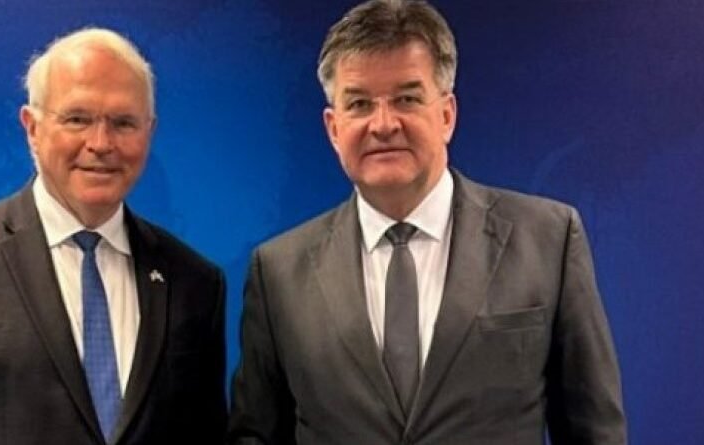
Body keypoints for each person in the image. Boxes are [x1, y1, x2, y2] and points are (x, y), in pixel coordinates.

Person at [228, 0, 626, 443]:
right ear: (333, 128)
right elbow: (255, 435)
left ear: (447, 115)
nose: (383, 124)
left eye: (407, 98)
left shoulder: (548, 241)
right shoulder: (278, 273)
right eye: (359, 103)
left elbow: (595, 432)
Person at [0, 28, 226, 444]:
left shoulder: (195, 282)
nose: (101, 143)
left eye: (123, 123)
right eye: (77, 119)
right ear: (32, 128)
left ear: (149, 131)